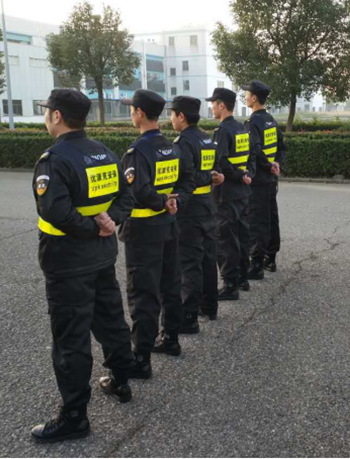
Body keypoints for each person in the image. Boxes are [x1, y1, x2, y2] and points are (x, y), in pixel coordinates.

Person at [30, 89, 135, 443]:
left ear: (57, 116)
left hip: (67, 261)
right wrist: (110, 221)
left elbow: (55, 211)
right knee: (110, 319)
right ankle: (121, 381)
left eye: (47, 112)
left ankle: (74, 416)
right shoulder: (104, 153)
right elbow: (126, 197)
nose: (46, 117)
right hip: (102, 255)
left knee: (71, 339)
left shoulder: (54, 160)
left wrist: (94, 228)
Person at [119, 90, 182, 380]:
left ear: (140, 113)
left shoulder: (138, 151)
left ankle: (141, 359)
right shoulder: (170, 146)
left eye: (132, 109)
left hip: (143, 231)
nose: (131, 113)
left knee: (143, 294)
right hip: (167, 226)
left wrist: (160, 201)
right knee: (169, 284)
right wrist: (168, 201)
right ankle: (171, 338)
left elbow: (139, 191)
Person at [169, 96, 224, 332]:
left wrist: (209, 177)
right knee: (208, 258)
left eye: (172, 114)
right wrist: (214, 177)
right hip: (207, 205)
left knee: (189, 262)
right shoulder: (206, 138)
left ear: (181, 116)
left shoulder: (183, 142)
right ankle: (209, 306)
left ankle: (189, 317)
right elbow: (214, 169)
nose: (170, 119)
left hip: (190, 208)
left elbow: (188, 177)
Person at [206, 87, 256, 300]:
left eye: (213, 103)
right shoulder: (242, 128)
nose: (211, 107)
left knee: (225, 239)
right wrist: (247, 174)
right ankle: (243, 278)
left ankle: (229, 285)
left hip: (226, 193)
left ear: (221, 105)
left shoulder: (223, 131)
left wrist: (238, 175)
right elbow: (251, 155)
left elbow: (222, 162)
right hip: (242, 192)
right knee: (242, 235)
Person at [242, 80, 284, 280]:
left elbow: (255, 150)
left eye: (247, 94)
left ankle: (256, 264)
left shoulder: (252, 122)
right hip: (271, 179)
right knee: (271, 217)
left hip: (258, 179)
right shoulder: (270, 120)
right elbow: (281, 146)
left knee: (256, 220)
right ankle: (271, 259)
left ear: (254, 98)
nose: (245, 97)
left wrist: (268, 166)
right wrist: (277, 164)